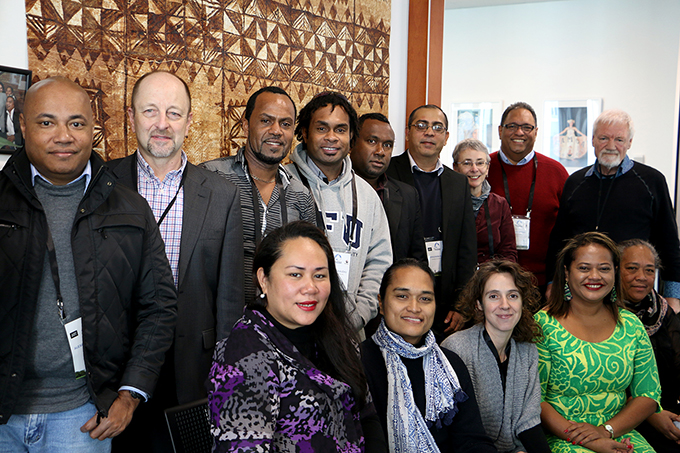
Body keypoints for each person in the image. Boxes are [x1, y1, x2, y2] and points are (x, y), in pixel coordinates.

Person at [0, 76, 177, 451]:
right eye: (47, 122)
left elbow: (159, 307)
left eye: (76, 123)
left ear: (93, 129)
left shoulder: (130, 209)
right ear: (22, 126)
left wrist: (131, 393)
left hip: (81, 417)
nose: (63, 136)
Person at [108, 70, 244, 452]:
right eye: (150, 111)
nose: (162, 124)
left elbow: (230, 298)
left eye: (173, 112)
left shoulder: (222, 194)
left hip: (191, 368)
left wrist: (225, 375)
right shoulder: (103, 183)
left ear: (188, 120)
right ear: (131, 117)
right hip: (117, 368)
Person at [208, 221, 387, 452]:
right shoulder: (244, 353)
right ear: (264, 278)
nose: (310, 287)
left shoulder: (336, 335)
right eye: (295, 274)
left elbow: (367, 415)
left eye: (320, 275)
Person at [536, 232, 661, 453]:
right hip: (563, 437)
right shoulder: (542, 325)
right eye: (584, 268)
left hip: (620, 433)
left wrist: (606, 430)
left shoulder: (631, 325)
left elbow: (648, 396)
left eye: (604, 269)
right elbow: (535, 400)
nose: (594, 276)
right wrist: (590, 441)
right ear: (566, 273)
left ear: (614, 273)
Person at [547, 109, 680, 313]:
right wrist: (551, 284)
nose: (611, 146)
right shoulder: (575, 183)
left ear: (629, 142)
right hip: (582, 293)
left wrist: (673, 297)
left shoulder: (652, 181)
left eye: (619, 139)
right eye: (603, 138)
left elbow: (669, 243)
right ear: (592, 140)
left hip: (632, 295)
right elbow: (559, 240)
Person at [362, 258, 497, 452]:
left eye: (425, 298)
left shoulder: (451, 365)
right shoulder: (357, 363)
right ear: (381, 304)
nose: (415, 308)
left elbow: (471, 439)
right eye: (402, 296)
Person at [286, 92, 393, 332]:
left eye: (340, 129)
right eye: (322, 128)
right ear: (304, 132)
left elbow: (379, 261)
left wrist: (359, 316)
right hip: (291, 329)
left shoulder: (367, 195)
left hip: (350, 331)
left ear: (351, 136)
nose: (331, 138)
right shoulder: (283, 184)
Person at [201, 86, 316, 303]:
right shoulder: (211, 178)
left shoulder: (301, 195)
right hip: (217, 321)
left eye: (285, 124)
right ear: (246, 125)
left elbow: (310, 265)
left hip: (277, 326)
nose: (276, 131)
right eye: (266, 121)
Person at [386, 104, 477, 337]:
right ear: (408, 132)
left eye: (437, 127)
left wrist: (461, 304)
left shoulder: (458, 183)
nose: (429, 132)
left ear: (446, 137)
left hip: (445, 299)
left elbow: (467, 250)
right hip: (399, 296)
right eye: (421, 126)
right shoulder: (387, 172)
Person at [442, 260, 550, 453]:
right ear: (479, 304)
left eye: (513, 296)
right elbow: (457, 432)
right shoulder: (456, 348)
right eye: (494, 296)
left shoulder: (528, 351)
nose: (505, 305)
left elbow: (529, 421)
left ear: (523, 302)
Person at [486, 102, 568, 294]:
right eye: (512, 126)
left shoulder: (556, 173)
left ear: (536, 132)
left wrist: (556, 279)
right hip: (493, 282)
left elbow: (567, 232)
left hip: (544, 284)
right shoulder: (482, 170)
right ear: (500, 130)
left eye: (526, 127)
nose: (519, 132)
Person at [618, 239, 680, 452]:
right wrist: (653, 414)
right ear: (616, 270)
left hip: (668, 409)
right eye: (632, 269)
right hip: (623, 416)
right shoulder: (602, 312)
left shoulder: (662, 310)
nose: (641, 278)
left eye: (649, 270)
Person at [350, 112, 427, 263]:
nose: (380, 152)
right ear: (351, 143)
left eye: (387, 145)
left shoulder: (407, 196)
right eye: (372, 141)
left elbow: (417, 260)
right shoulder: (332, 189)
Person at [453, 139, 517, 264]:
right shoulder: (446, 202)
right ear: (455, 168)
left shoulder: (499, 205)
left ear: (487, 168)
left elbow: (509, 252)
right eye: (467, 163)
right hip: (455, 279)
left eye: (480, 163)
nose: (474, 169)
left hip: (490, 279)